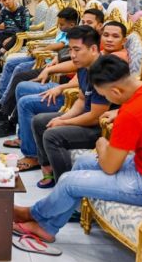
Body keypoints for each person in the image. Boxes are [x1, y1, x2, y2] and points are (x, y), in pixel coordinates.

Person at [12, 55, 142, 247]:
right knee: (82, 162)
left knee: (69, 182)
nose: (107, 101)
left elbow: (110, 167)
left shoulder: (131, 113)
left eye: (106, 96)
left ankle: (32, 214)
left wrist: (102, 143)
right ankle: (47, 227)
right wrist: (118, 111)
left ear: (116, 91)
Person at [0, 9, 104, 138]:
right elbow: (78, 74)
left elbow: (94, 113)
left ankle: (11, 124)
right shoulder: (81, 51)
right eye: (84, 21)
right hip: (63, 80)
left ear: (100, 26)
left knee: (25, 96)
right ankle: (8, 117)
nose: (73, 54)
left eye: (89, 22)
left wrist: (64, 117)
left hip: (68, 88)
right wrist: (51, 68)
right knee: (20, 81)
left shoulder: (96, 54)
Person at [28, 26, 116, 185]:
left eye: (77, 50)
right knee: (39, 121)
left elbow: (95, 117)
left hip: (100, 128)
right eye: (70, 49)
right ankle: (48, 169)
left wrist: (64, 123)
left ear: (93, 49)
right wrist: (63, 118)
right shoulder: (83, 66)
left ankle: (66, 184)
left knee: (52, 135)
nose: (72, 55)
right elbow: (81, 100)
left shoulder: (104, 73)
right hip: (86, 117)